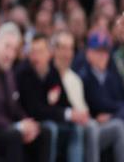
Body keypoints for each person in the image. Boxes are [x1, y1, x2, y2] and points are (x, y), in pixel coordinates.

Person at [0, 22, 53, 162]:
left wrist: (26, 123)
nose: (10, 54)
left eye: (14, 50)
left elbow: (15, 107)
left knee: (44, 131)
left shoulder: (9, 71)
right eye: (7, 47)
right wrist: (18, 127)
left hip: (11, 129)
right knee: (14, 135)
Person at [51, 30, 124, 162]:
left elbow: (85, 109)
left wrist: (89, 116)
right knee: (90, 126)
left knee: (118, 126)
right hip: (67, 125)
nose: (67, 53)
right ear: (54, 50)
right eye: (63, 48)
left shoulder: (75, 79)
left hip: (85, 123)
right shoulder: (52, 75)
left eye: (70, 49)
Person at [15, 34, 85, 162]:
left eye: (40, 51)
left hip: (51, 118)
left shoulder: (52, 71)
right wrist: (67, 114)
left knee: (77, 127)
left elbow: (63, 100)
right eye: (33, 52)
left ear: (49, 53)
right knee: (51, 128)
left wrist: (74, 113)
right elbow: (35, 110)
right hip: (32, 121)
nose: (35, 56)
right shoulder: (24, 73)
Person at [77, 31, 124, 162]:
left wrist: (112, 116)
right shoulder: (83, 77)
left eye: (105, 52)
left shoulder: (112, 76)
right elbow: (98, 103)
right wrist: (118, 112)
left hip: (114, 119)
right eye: (99, 52)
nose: (103, 56)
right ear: (89, 53)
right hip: (94, 127)